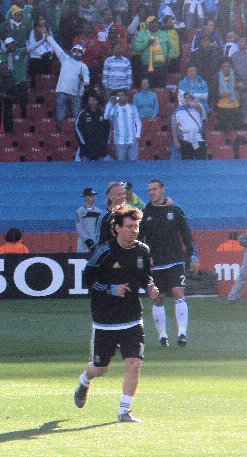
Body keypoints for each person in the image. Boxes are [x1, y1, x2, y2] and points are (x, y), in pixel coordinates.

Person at [73, 205, 159, 423]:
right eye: (129, 227)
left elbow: (145, 278)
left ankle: (124, 411)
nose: (134, 231)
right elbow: (87, 280)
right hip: (105, 320)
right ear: (117, 228)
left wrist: (150, 287)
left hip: (132, 318)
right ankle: (84, 381)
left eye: (136, 226)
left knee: (134, 363)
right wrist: (111, 288)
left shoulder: (143, 251)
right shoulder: (104, 252)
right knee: (101, 368)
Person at [139, 179, 199, 347]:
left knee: (178, 292)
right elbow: (138, 239)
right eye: (149, 189)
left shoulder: (175, 210)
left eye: (155, 189)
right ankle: (162, 335)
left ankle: (182, 333)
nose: (152, 192)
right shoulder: (146, 213)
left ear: (163, 190)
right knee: (158, 298)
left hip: (175, 260)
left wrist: (194, 256)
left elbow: (187, 234)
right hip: (155, 262)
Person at [97, 181, 128, 246]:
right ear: (109, 196)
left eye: (124, 193)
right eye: (119, 194)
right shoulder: (104, 217)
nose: (123, 197)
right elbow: (100, 242)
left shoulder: (131, 214)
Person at [76, 188, 102, 253]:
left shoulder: (99, 211)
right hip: (83, 245)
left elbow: (100, 228)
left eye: (93, 195)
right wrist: (87, 240)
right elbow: (79, 227)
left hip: (96, 244)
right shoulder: (79, 211)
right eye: (90, 195)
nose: (92, 197)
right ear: (85, 197)